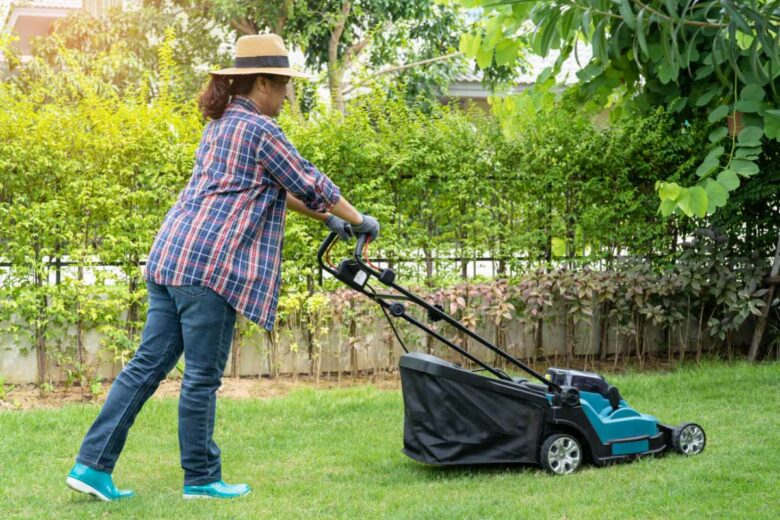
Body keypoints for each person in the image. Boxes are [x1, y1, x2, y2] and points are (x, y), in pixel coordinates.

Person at [66, 33, 379, 502]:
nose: (288, 95)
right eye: (284, 85)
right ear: (262, 84)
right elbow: (311, 181)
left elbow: (283, 191)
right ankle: (201, 479)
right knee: (201, 378)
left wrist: (335, 222)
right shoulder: (260, 130)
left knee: (144, 368)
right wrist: (361, 220)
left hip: (171, 258)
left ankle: (91, 466)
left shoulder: (221, 125)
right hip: (208, 271)